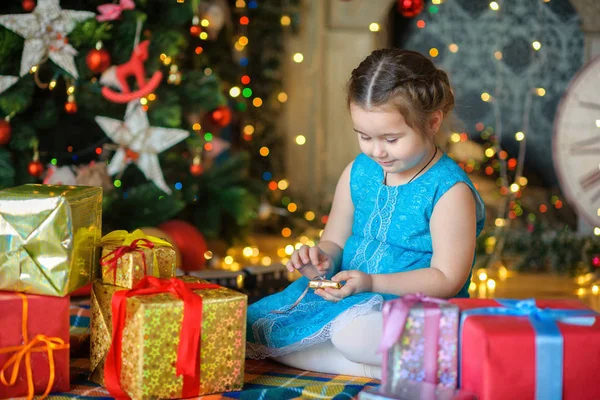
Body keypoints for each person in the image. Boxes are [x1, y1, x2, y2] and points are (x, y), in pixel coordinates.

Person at [246, 49, 485, 379]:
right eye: (364, 137)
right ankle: (387, 367)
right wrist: (321, 260)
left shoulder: (449, 191)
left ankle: (414, 357)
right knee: (255, 323)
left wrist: (372, 282)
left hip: (413, 308)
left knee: (353, 336)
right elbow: (334, 241)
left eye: (391, 138)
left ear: (432, 123)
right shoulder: (359, 172)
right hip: (350, 299)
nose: (377, 151)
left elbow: (446, 278)